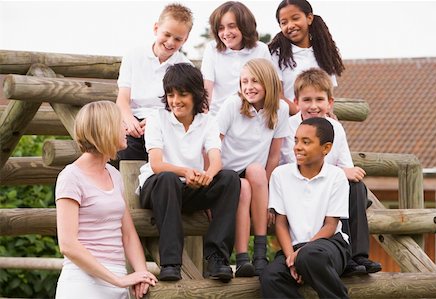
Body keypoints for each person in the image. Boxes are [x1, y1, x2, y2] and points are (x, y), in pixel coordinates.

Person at [138, 63, 240, 283]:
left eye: (182, 94)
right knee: (168, 178)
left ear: (196, 94)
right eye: (171, 94)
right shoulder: (156, 118)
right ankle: (171, 263)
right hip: (157, 188)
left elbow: (215, 161)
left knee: (230, 179)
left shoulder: (208, 122)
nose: (176, 101)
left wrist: (207, 176)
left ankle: (217, 259)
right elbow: (156, 164)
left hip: (188, 187)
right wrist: (186, 171)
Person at [280, 68, 382, 276]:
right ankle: (344, 255)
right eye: (307, 100)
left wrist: (345, 174)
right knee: (343, 183)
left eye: (319, 99)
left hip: (330, 188)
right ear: (296, 102)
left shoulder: (335, 128)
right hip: (302, 189)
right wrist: (340, 173)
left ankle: (357, 255)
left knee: (355, 187)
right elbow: (297, 166)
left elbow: (347, 166)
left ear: (330, 103)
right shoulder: (289, 128)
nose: (314, 106)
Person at [55, 101, 157, 299]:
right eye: (121, 123)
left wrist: (141, 273)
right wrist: (118, 280)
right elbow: (67, 244)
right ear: (106, 129)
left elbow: (127, 234)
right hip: (83, 283)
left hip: (117, 281)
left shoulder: (114, 174)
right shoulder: (70, 177)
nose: (126, 127)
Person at [261, 117, 351, 298]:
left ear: (326, 148)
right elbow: (280, 223)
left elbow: (330, 226)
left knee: (309, 256)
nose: (297, 147)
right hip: (294, 249)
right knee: (270, 276)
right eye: (296, 140)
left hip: (330, 246)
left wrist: (300, 255)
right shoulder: (280, 175)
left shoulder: (337, 177)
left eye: (306, 142)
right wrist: (291, 258)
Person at [216, 58, 290, 277]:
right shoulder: (233, 105)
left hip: (255, 172)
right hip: (226, 174)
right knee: (244, 188)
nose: (248, 87)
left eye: (255, 81)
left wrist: (268, 201)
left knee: (257, 172)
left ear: (268, 82)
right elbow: (213, 147)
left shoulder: (281, 109)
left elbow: (274, 156)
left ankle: (260, 254)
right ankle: (241, 259)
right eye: (244, 81)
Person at [115, 3, 193, 165]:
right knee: (126, 146)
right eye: (167, 34)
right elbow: (123, 99)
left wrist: (156, 121)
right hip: (134, 120)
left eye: (178, 39)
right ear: (156, 28)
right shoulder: (134, 55)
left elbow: (183, 108)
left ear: (185, 39)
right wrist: (130, 121)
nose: (170, 42)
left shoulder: (185, 67)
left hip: (166, 123)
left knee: (168, 149)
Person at [268, 0, 345, 116]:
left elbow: (328, 95)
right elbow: (277, 96)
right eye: (284, 22)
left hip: (320, 123)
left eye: (295, 18)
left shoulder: (324, 53)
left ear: (309, 18)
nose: (290, 25)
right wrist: (304, 116)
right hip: (289, 124)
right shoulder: (276, 55)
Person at [202, 1, 272, 116]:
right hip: (218, 115)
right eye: (221, 28)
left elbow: (269, 88)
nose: (226, 33)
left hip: (252, 116)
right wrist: (204, 120)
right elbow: (206, 88)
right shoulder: (211, 49)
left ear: (245, 26)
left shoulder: (261, 49)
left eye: (232, 26)